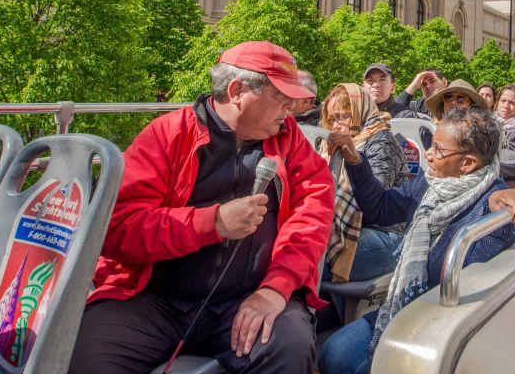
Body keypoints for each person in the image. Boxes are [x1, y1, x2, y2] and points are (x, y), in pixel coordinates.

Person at [70, 41, 334, 374]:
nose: (291, 108)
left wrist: (275, 288)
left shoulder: (290, 141)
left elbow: (311, 217)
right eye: (281, 98)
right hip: (150, 298)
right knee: (84, 355)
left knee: (290, 348)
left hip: (247, 297)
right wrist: (212, 223)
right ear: (237, 90)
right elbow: (118, 228)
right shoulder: (167, 134)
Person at [317, 108, 515, 374]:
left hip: (443, 322)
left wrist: (505, 202)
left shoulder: (493, 208)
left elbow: (476, 294)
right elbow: (381, 207)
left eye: (438, 150)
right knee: (333, 354)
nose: (427, 154)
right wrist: (356, 161)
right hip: (404, 304)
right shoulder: (430, 184)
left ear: (468, 164)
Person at [320, 84, 408, 282]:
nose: (336, 125)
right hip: (344, 227)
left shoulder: (382, 141)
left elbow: (375, 206)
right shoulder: (331, 145)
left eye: (343, 116)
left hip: (386, 234)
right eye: (332, 119)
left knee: (310, 262)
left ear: (361, 111)